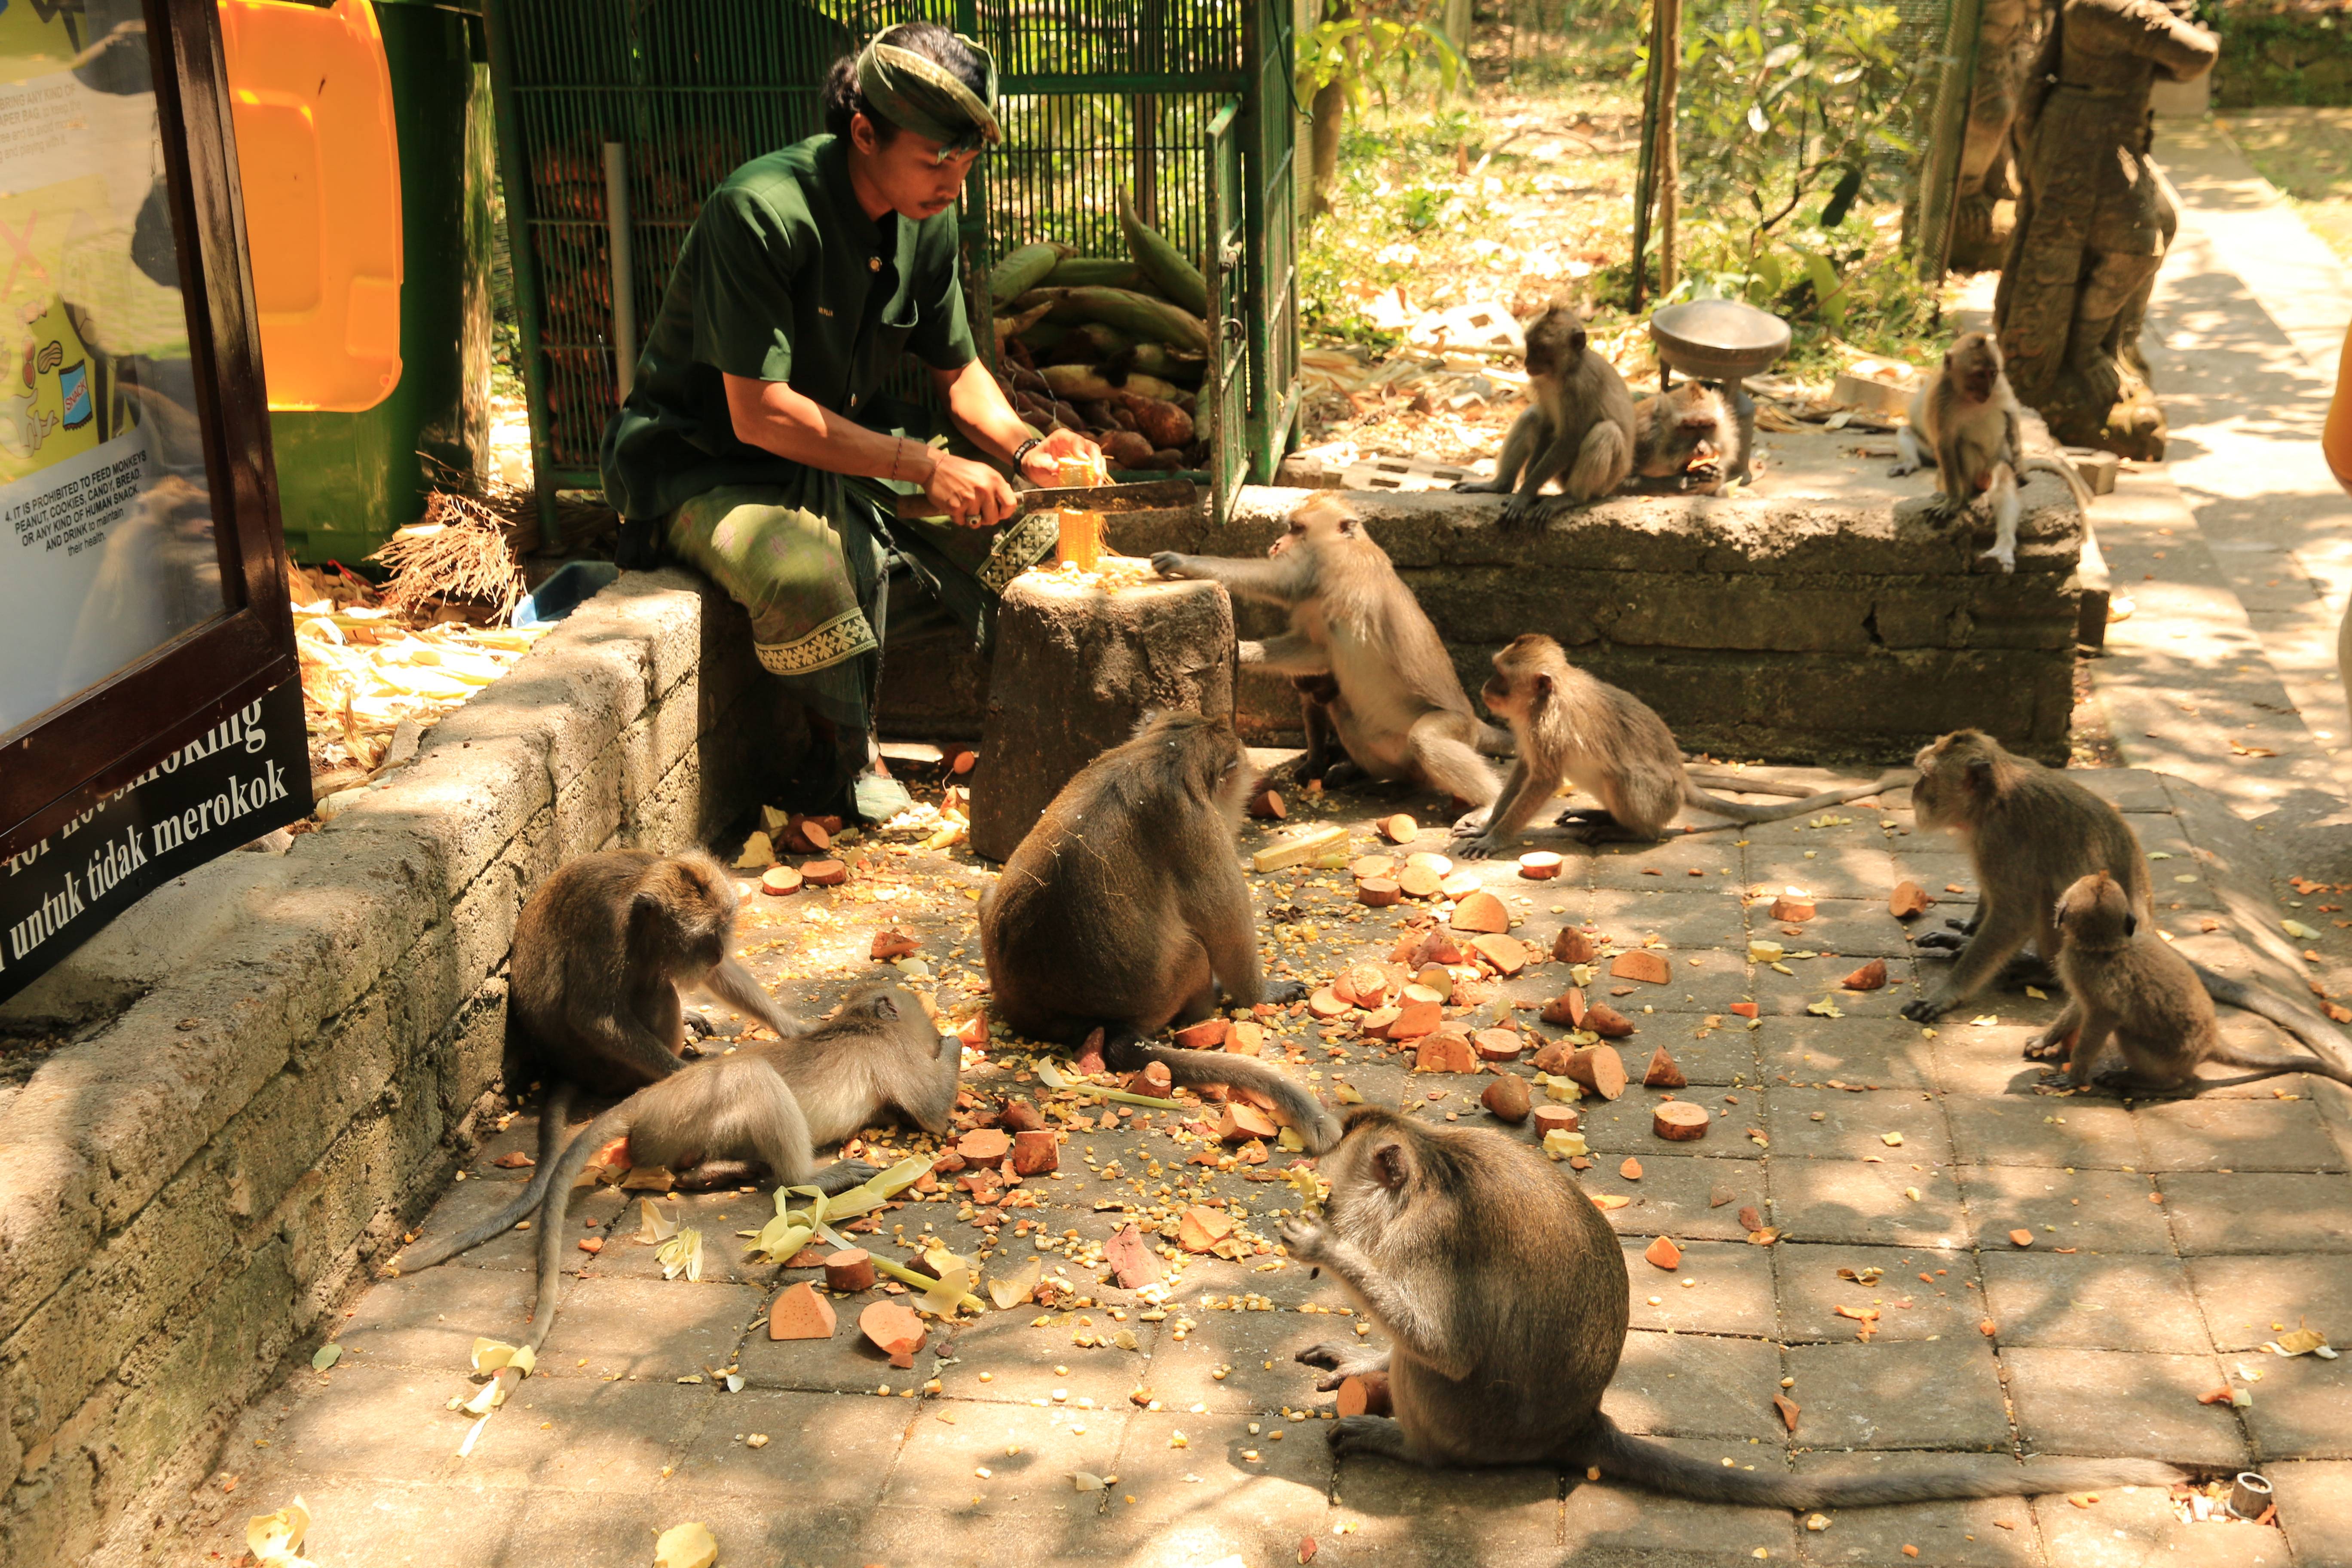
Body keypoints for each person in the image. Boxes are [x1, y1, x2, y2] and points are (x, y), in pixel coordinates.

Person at [601, 21, 1100, 821]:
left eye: (966, 164)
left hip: (849, 457)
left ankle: (1014, 733)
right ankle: (840, 764)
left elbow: (961, 373)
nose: (953, 186)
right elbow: (759, 412)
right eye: (937, 160)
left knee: (1029, 539)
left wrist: (1028, 446)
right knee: (813, 574)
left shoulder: (926, 216)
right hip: (712, 464)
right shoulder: (759, 210)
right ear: (864, 132)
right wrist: (923, 466)